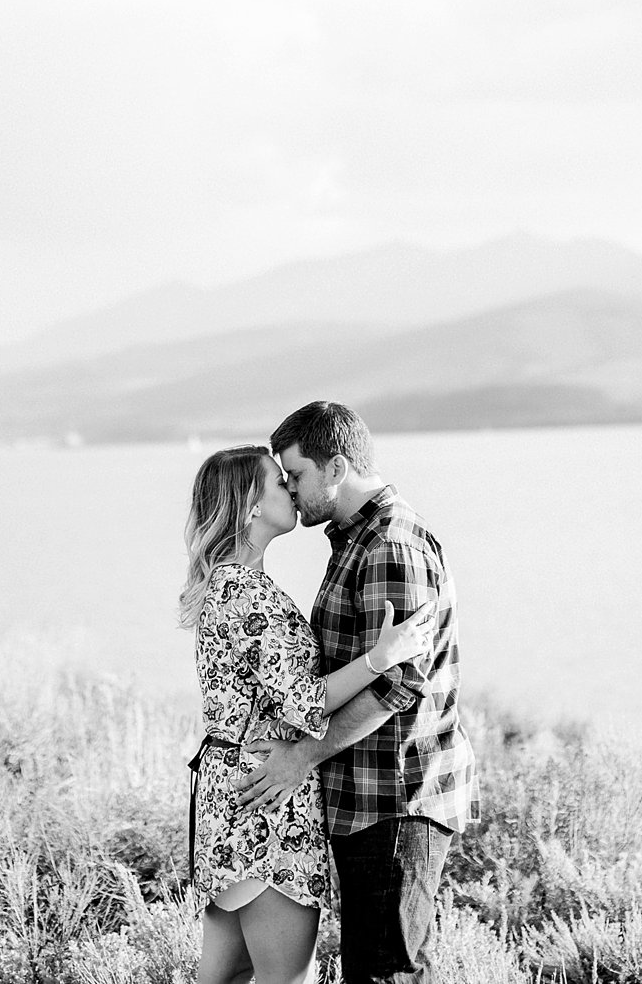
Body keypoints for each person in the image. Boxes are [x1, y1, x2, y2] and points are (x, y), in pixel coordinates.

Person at [238, 402, 475, 984]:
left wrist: (301, 758)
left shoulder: (389, 546)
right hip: (365, 798)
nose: (291, 491)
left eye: (296, 475)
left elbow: (400, 688)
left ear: (336, 466)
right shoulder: (353, 540)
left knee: (385, 974)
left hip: (394, 797)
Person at [180, 444, 433, 984]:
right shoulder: (247, 594)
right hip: (265, 804)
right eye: (279, 481)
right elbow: (305, 703)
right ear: (250, 505)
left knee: (224, 974)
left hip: (233, 790)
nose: (291, 490)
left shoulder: (229, 586)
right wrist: (379, 659)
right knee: (284, 978)